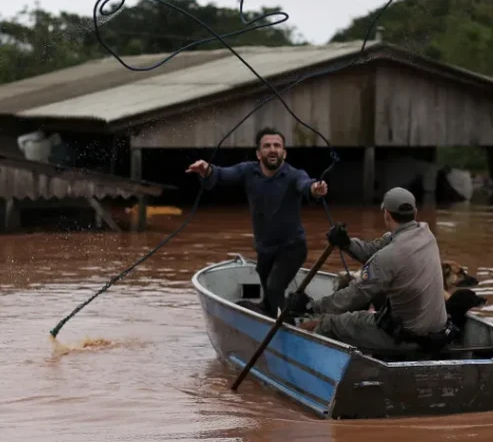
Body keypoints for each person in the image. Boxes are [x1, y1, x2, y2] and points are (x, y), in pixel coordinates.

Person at [286, 187, 449, 356]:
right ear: (415, 213)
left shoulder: (387, 257)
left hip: (407, 339)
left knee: (328, 323)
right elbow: (374, 250)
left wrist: (311, 306)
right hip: (437, 332)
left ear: (386, 214)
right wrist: (347, 243)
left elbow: (354, 295)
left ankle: (308, 364)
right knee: (363, 315)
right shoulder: (426, 233)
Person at [186, 127, 329, 316]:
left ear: (284, 153)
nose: (272, 149)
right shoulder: (248, 171)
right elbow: (221, 174)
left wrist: (315, 189)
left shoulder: (294, 175)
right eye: (267, 146)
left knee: (274, 287)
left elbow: (306, 185)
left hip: (292, 248)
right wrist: (207, 170)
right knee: (268, 295)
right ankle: (270, 315)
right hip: (265, 249)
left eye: (277, 146)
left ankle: (285, 329)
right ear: (258, 153)